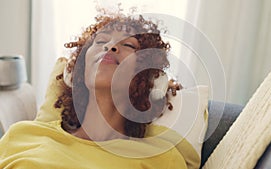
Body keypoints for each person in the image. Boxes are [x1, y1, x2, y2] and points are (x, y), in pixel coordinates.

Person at [0, 8, 199, 169]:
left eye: (129, 45)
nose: (110, 46)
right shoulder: (23, 134)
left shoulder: (160, 158)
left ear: (146, 76)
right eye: (101, 41)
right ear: (79, 69)